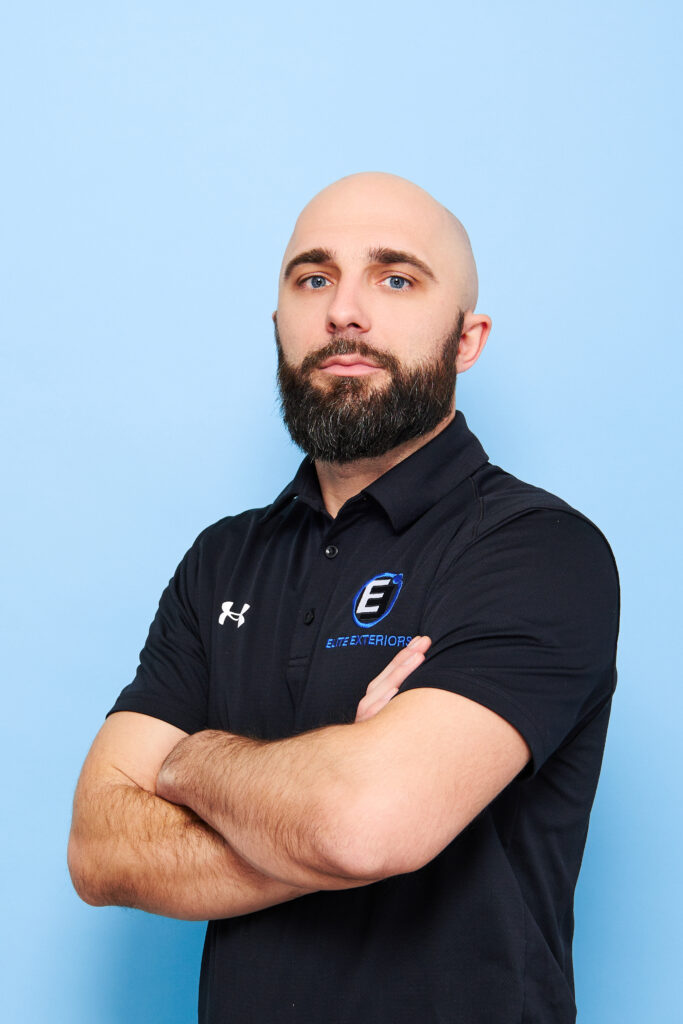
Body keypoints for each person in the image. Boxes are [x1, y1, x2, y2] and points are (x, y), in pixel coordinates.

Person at [68, 172, 620, 1023]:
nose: (343, 312)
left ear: (465, 339)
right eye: (313, 278)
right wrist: (326, 813)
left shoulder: (537, 550)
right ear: (279, 324)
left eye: (395, 278)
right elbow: (99, 849)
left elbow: (365, 825)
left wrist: (188, 761)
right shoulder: (222, 560)